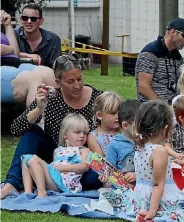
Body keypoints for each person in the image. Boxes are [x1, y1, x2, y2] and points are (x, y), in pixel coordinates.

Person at [1, 54, 103, 199]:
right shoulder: (51, 98)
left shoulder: (97, 99)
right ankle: (12, 184)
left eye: (79, 79)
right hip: (55, 157)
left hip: (82, 162)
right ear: (58, 82)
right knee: (32, 133)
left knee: (95, 176)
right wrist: (38, 109)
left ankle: (46, 180)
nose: (77, 85)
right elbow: (16, 129)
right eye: (70, 81)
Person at [21, 114, 91, 197]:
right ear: (65, 134)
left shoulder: (84, 150)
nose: (82, 136)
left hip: (66, 184)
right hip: (54, 180)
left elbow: (84, 167)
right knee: (25, 159)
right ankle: (28, 192)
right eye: (77, 132)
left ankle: (42, 193)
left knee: (33, 159)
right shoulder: (57, 150)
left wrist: (62, 168)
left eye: (85, 133)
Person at [135, 18, 184, 104]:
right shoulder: (150, 53)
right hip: (151, 109)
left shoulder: (177, 57)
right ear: (172, 32)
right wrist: (163, 107)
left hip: (173, 106)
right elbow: (143, 87)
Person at [1, 10, 56, 106]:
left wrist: (7, 25)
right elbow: (6, 49)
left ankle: (57, 117)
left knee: (48, 73)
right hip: (3, 66)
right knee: (34, 79)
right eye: (25, 18)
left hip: (15, 64)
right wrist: (10, 49)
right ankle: (35, 120)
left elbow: (16, 53)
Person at [14, 3, 62, 68]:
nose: (29, 21)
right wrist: (28, 56)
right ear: (21, 19)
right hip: (17, 75)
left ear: (41, 21)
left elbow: (56, 68)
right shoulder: (13, 35)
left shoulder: (54, 39)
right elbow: (5, 55)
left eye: (33, 19)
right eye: (25, 18)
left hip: (44, 76)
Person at [106, 99, 141, 183]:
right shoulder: (115, 145)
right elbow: (109, 170)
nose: (144, 129)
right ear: (125, 125)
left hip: (143, 185)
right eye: (139, 125)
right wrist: (106, 177)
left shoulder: (147, 142)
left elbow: (152, 168)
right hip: (122, 188)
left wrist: (137, 175)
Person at [87, 91, 123, 156]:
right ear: (99, 115)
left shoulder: (124, 132)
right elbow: (101, 161)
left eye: (120, 112)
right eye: (113, 113)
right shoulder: (94, 137)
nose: (118, 116)